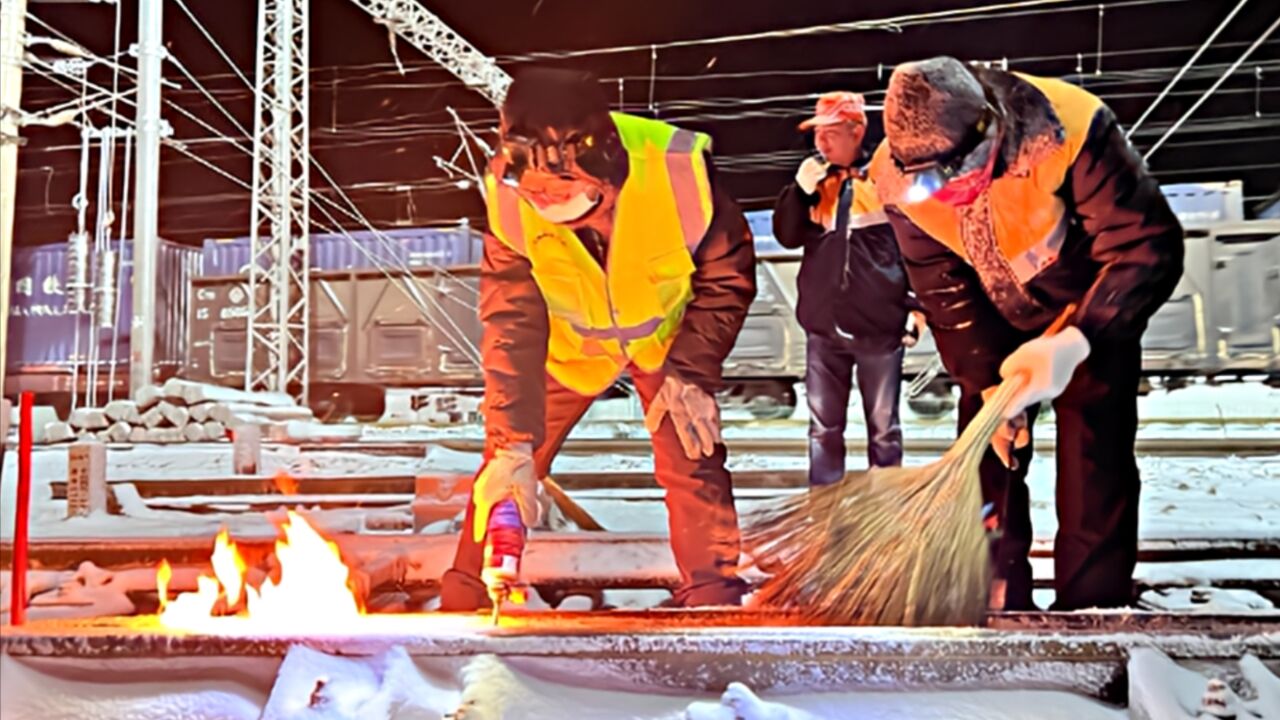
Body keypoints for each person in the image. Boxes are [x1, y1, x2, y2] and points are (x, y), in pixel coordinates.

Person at [868, 57, 1184, 611]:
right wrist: (987, 380)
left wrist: (1076, 340)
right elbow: (943, 288)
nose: (942, 194)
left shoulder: (1069, 128)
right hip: (993, 324)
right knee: (986, 460)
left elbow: (1146, 245)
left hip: (1089, 312)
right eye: (926, 180)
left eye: (953, 173)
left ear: (989, 129)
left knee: (1094, 461)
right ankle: (997, 600)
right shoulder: (896, 181)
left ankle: (1091, 607)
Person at [439, 67, 757, 611]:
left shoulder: (677, 170)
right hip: (574, 345)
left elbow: (727, 277)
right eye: (540, 194)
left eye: (570, 192)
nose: (552, 207)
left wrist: (692, 372)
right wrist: (512, 437)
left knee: (692, 456)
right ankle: (466, 593)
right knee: (507, 468)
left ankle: (712, 595)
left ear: (606, 162)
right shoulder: (507, 191)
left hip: (666, 342)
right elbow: (510, 315)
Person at [772, 91, 925, 486]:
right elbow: (788, 236)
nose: (821, 143)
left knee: (884, 431)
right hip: (824, 328)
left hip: (879, 326)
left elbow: (920, 246)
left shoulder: (890, 178)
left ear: (857, 131)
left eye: (831, 133)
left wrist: (917, 306)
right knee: (823, 431)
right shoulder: (817, 183)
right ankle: (824, 514)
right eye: (817, 134)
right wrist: (798, 191)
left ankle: (883, 515)